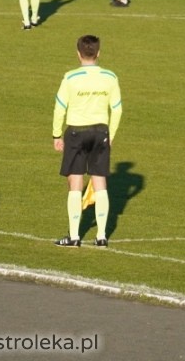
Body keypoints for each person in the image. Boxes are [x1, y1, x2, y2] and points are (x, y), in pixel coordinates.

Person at [52, 35, 122, 248]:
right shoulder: (110, 77)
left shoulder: (70, 77)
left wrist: (56, 135)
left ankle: (74, 236)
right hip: (101, 131)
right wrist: (111, 135)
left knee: (75, 182)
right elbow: (117, 109)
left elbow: (59, 108)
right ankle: (101, 236)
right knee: (100, 182)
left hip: (76, 132)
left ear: (78, 54)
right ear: (98, 53)